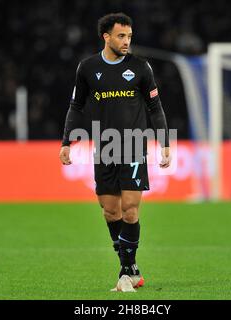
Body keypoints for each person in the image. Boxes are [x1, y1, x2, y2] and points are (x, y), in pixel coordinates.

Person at [59, 12, 171, 292]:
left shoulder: (141, 67)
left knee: (130, 210)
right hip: (104, 147)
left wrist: (165, 142)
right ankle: (131, 267)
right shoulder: (87, 68)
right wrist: (66, 142)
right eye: (121, 36)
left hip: (133, 145)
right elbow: (76, 106)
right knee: (110, 212)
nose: (126, 41)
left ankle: (124, 271)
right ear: (106, 36)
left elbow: (154, 107)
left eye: (129, 36)